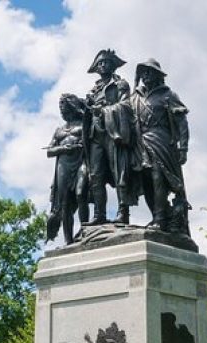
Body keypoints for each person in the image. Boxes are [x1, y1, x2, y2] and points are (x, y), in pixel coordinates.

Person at [129, 59, 191, 233]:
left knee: (159, 178)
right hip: (140, 144)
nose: (146, 75)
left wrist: (183, 147)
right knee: (146, 181)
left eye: (149, 72)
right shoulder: (134, 97)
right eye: (143, 72)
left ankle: (160, 218)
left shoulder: (168, 95)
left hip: (161, 140)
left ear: (158, 75)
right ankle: (158, 216)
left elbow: (182, 123)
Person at [83, 49, 131, 225]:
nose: (103, 65)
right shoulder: (94, 89)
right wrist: (87, 107)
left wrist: (104, 110)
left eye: (106, 62)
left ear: (113, 65)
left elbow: (126, 106)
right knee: (96, 175)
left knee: (118, 171)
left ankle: (123, 212)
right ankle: (99, 214)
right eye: (100, 63)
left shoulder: (121, 85)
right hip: (95, 135)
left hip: (113, 133)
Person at [45, 94, 89, 244]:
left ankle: (86, 232)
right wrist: (63, 148)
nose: (61, 110)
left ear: (71, 106)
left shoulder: (84, 124)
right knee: (65, 205)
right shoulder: (59, 130)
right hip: (63, 166)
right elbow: (49, 151)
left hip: (81, 162)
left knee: (81, 193)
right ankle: (68, 241)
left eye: (63, 106)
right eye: (60, 107)